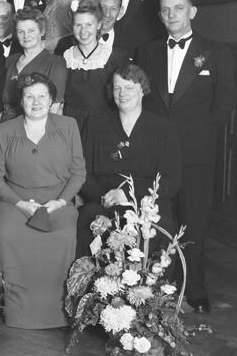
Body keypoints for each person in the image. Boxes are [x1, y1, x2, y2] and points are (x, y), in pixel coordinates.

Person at [135, 0, 234, 314]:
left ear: (192, 11)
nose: (172, 14)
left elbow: (223, 106)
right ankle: (156, 286)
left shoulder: (216, 52)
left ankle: (195, 288)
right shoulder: (147, 52)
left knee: (195, 220)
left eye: (178, 8)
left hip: (196, 153)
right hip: (157, 152)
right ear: (159, 15)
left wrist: (197, 138)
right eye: (166, 10)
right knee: (156, 218)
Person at [0, 72, 86, 329]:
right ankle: (14, 311)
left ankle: (58, 313)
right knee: (7, 232)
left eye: (42, 96)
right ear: (21, 100)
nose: (36, 102)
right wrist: (21, 203)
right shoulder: (3, 130)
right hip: (14, 202)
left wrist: (60, 202)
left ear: (52, 100)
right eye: (29, 96)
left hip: (58, 202)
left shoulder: (68, 126)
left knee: (65, 235)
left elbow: (78, 173)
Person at [77, 64, 180, 257]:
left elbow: (170, 181)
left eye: (129, 88)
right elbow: (82, 172)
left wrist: (128, 196)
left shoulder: (163, 129)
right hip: (103, 203)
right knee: (87, 221)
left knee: (161, 231)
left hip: (147, 205)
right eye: (117, 88)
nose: (122, 94)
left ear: (142, 90)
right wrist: (105, 197)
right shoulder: (95, 125)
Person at [62, 0, 130, 130]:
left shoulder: (115, 56)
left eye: (89, 24)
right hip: (71, 125)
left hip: (104, 124)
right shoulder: (65, 56)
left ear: (98, 25)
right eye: (78, 25)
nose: (83, 31)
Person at [1, 8, 66, 121]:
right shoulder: (10, 60)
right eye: (21, 31)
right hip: (6, 122)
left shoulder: (55, 63)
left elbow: (54, 109)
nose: (26, 36)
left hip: (36, 124)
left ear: (41, 31)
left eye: (31, 30)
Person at [54, 0, 122, 56]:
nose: (107, 14)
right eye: (103, 7)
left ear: (121, 11)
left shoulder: (127, 42)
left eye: (113, 9)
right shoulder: (65, 45)